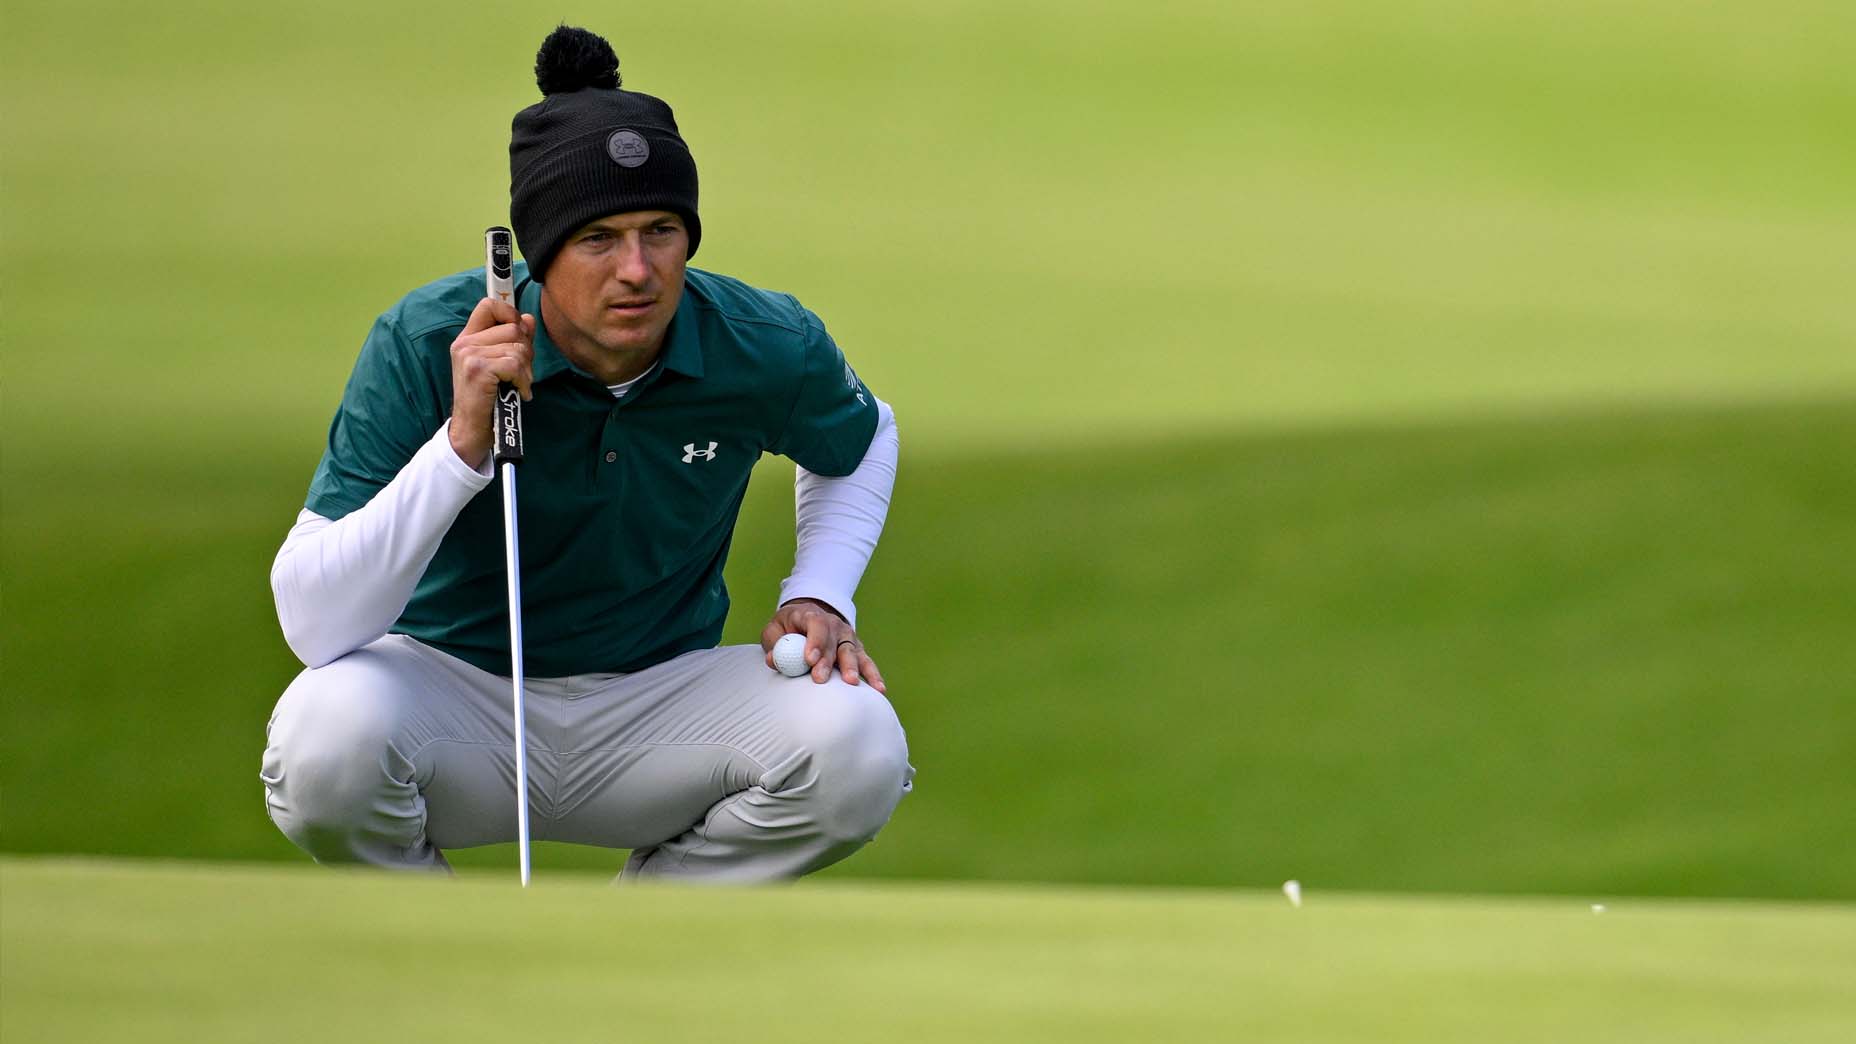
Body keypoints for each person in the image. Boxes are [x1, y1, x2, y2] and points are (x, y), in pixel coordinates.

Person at [260, 25, 911, 882]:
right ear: (537, 254)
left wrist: (821, 590)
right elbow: (314, 625)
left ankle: (629, 945)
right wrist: (460, 448)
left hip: (660, 708)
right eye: (598, 238)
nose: (637, 270)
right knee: (322, 741)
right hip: (452, 701)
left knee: (859, 744)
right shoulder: (426, 340)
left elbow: (863, 441)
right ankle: (446, 951)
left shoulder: (761, 341)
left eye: (662, 230)